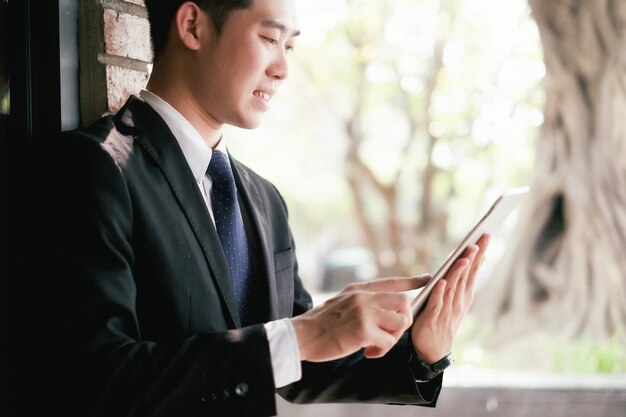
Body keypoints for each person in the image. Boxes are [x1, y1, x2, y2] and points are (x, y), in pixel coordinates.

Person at [12, 0, 490, 416]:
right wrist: (301, 336)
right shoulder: (93, 169)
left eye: (290, 47)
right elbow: (100, 382)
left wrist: (422, 351)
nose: (282, 68)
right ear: (193, 26)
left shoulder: (264, 200)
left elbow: (298, 362)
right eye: (268, 38)